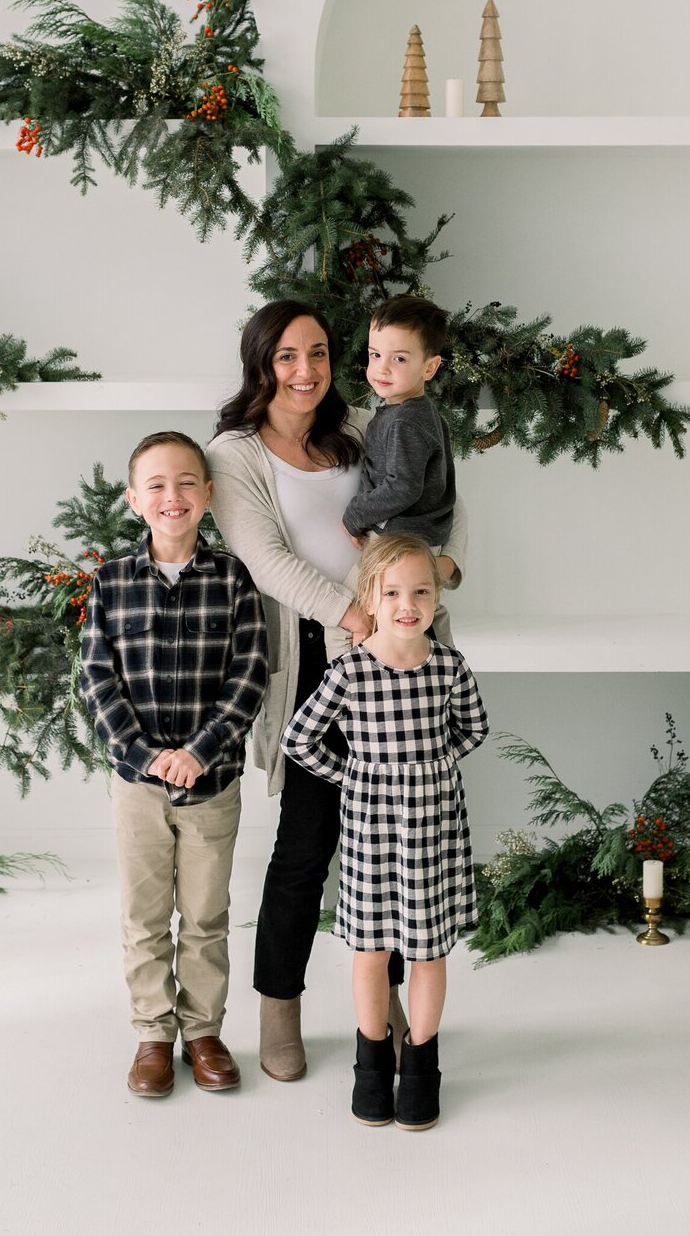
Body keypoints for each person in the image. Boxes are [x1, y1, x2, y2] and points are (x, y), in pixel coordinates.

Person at [207, 299, 469, 1084]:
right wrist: (357, 618)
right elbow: (267, 563)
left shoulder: (365, 422)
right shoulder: (234, 454)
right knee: (306, 848)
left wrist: (445, 571)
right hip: (324, 661)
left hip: (405, 656)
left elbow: (435, 497)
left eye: (318, 352)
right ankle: (279, 1005)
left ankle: (381, 1013)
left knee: (395, 848)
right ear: (261, 364)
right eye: (287, 356)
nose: (306, 370)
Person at [79, 430, 268, 1100]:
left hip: (211, 783)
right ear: (134, 499)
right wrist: (145, 755)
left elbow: (249, 677)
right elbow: (97, 682)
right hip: (137, 787)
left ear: (209, 496)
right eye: (156, 485)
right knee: (145, 914)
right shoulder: (109, 585)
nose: (173, 496)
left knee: (206, 913)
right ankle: (154, 1036)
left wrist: (200, 751)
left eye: (187, 482)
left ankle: (204, 1031)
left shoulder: (232, 580)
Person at [282, 532, 488, 1131]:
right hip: (372, 829)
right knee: (371, 950)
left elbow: (472, 729)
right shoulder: (350, 669)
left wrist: (429, 768)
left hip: (434, 831)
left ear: (435, 596)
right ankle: (372, 1065)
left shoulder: (448, 666)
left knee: (428, 950)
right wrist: (355, 776)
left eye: (421, 591)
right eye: (392, 591)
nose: (408, 603)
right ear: (369, 596)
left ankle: (422, 1066)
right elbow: (300, 740)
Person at [342, 295, 455, 550]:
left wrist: (355, 514)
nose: (382, 369)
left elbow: (403, 487)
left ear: (429, 368)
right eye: (375, 354)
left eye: (399, 359)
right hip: (409, 538)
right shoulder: (417, 412)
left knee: (361, 589)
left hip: (402, 542)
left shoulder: (406, 421)